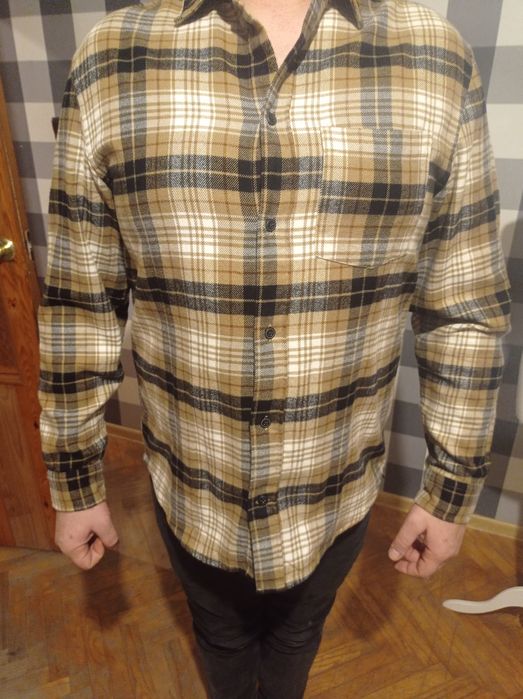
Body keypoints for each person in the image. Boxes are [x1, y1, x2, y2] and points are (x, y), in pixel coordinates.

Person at [38, 0, 511, 697]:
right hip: (191, 489)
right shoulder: (112, 57)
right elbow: (81, 299)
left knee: (298, 635)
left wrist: (450, 492)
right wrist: (75, 480)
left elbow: (461, 307)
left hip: (334, 491)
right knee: (217, 635)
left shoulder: (434, 59)